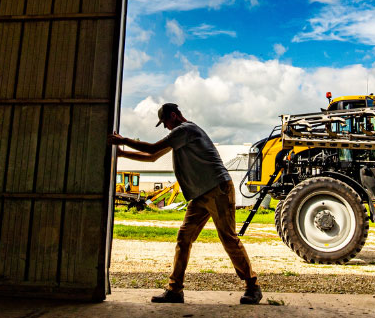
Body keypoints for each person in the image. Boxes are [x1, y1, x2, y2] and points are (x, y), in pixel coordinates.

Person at [109, 103, 262, 305]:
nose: (165, 127)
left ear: (174, 116)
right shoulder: (181, 136)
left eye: (165, 122)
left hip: (218, 189)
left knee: (228, 238)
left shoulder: (186, 130)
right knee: (184, 238)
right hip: (200, 194)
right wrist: (121, 153)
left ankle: (253, 287)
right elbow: (153, 157)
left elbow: (152, 148)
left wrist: (124, 140)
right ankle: (175, 291)